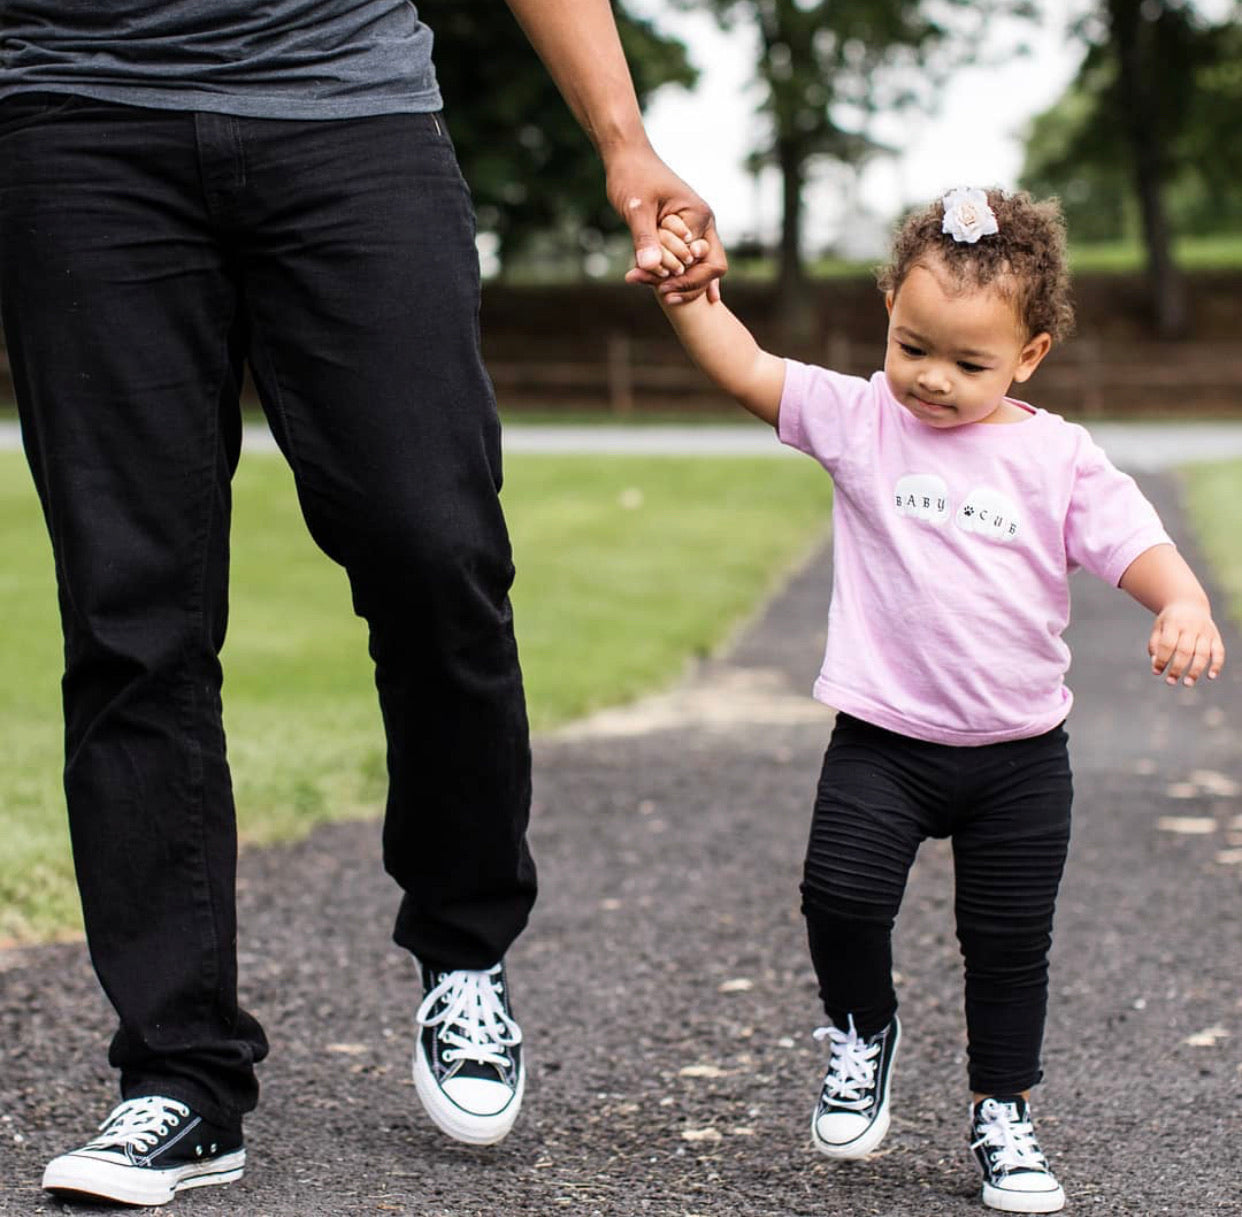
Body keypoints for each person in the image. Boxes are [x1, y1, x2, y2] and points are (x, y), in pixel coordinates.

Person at [0, 0, 725, 1206]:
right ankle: (178, 1073)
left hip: (348, 112)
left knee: (438, 551)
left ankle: (464, 948)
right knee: (131, 620)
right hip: (79, 120)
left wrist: (622, 139)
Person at [644, 188, 1225, 1213]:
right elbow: (749, 369)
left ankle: (1005, 1113)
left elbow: (1135, 542)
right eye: (912, 347)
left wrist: (1181, 601)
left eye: (969, 363)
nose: (932, 379)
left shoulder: (1057, 457)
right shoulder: (861, 418)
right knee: (840, 898)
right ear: (887, 315)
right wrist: (693, 300)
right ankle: (862, 1029)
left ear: (1029, 356)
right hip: (884, 740)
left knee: (1007, 948)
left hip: (1019, 758)